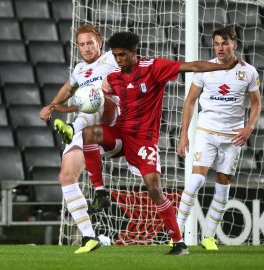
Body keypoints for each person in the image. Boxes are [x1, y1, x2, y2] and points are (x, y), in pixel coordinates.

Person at [80, 31, 241, 255]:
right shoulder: (114, 77)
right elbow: (99, 97)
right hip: (120, 134)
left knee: (154, 187)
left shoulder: (153, 68)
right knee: (88, 133)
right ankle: (100, 192)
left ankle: (178, 243)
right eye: (115, 56)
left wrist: (223, 67)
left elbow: (192, 66)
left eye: (123, 55)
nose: (119, 60)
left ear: (134, 53)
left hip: (144, 140)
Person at [176, 26, 261, 250]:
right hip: (206, 131)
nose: (220, 48)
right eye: (216, 43)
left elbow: (256, 103)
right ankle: (176, 232)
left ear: (234, 45)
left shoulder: (249, 72)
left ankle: (209, 237)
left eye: (224, 43)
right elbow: (190, 101)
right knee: (196, 179)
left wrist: (249, 127)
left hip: (233, 136)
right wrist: (183, 134)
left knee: (223, 184)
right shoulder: (205, 70)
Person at [39, 24, 120, 254]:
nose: (86, 48)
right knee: (66, 176)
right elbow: (68, 88)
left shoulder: (113, 59)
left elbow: (136, 72)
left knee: (95, 97)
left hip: (112, 119)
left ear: (100, 42)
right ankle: (89, 236)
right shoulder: (79, 69)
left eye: (90, 43)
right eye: (81, 44)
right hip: (87, 125)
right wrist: (52, 105)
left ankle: (73, 127)